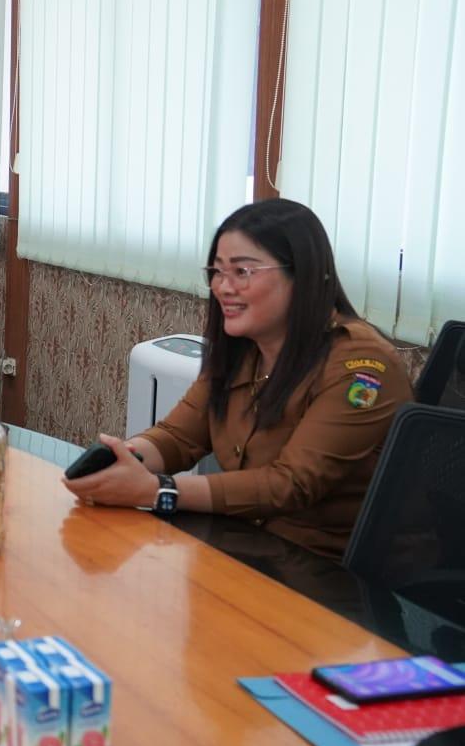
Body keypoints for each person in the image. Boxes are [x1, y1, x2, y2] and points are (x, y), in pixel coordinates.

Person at [63, 199, 412, 560]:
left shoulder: (362, 365)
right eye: (216, 271)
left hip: (335, 572)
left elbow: (290, 484)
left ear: (304, 274)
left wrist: (157, 490)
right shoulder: (243, 348)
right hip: (250, 544)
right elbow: (178, 437)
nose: (222, 287)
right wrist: (127, 460)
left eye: (242, 272)